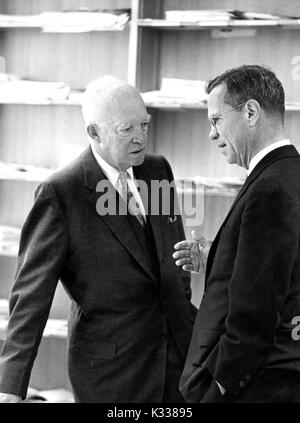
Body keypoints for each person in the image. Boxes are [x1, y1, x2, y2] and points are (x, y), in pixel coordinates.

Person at [0, 75, 196, 403]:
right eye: (127, 129)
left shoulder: (157, 170)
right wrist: (9, 386)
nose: (141, 138)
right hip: (111, 371)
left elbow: (171, 255)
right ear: (94, 132)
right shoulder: (61, 192)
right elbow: (30, 296)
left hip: (176, 360)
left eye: (144, 125)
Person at [173, 65, 300, 403]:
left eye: (216, 120)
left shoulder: (269, 188)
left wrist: (218, 388)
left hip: (254, 387)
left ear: (250, 112)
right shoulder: (288, 174)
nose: (212, 134)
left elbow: (254, 315)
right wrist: (219, 257)